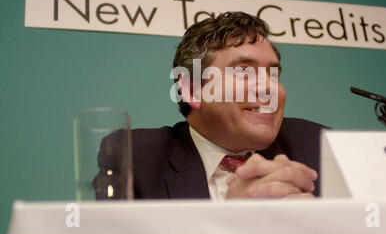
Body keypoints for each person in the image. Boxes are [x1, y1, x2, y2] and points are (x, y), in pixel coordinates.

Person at [95, 11, 328, 200]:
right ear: (193, 90)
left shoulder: (316, 146)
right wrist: (231, 222)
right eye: (244, 72)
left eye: (274, 74)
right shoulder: (134, 159)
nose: (269, 87)